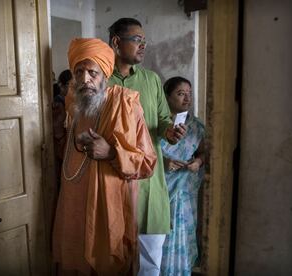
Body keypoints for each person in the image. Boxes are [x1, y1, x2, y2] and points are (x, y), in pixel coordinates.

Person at [52, 37, 157, 275]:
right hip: (74, 210)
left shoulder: (125, 103)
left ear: (105, 74)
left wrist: (112, 153)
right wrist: (59, 131)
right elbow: (69, 160)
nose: (85, 79)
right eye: (79, 72)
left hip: (109, 214)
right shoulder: (74, 105)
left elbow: (148, 163)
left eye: (92, 72)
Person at [107, 18, 187, 276]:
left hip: (148, 181)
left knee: (150, 260)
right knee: (110, 258)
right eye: (137, 40)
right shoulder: (101, 81)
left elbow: (162, 119)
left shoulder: (151, 80)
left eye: (145, 41)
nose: (143, 45)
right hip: (111, 176)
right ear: (116, 42)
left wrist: (170, 131)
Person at [160, 77, 205, 276]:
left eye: (189, 93)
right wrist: (164, 162)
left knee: (184, 234)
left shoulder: (196, 126)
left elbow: (205, 152)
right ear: (167, 97)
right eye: (180, 93)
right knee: (158, 237)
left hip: (185, 191)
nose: (187, 98)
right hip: (161, 189)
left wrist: (198, 162)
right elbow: (144, 154)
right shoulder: (156, 125)